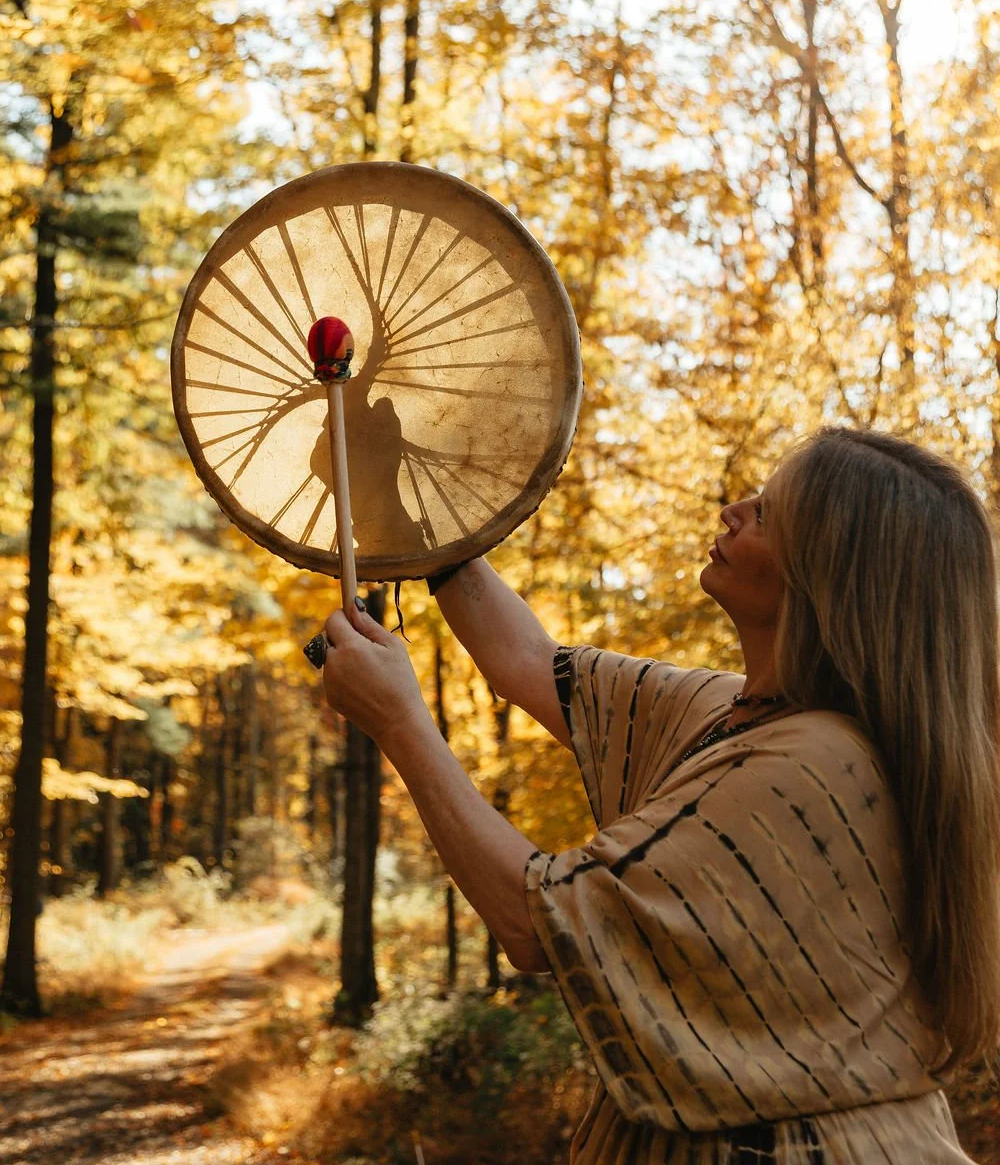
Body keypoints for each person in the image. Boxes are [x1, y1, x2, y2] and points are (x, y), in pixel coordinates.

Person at [312, 427, 1000, 1163]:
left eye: (766, 514)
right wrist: (395, 490)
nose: (733, 509)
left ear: (832, 570)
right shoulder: (737, 712)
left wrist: (399, 721)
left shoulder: (817, 766)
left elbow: (534, 922)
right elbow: (529, 662)